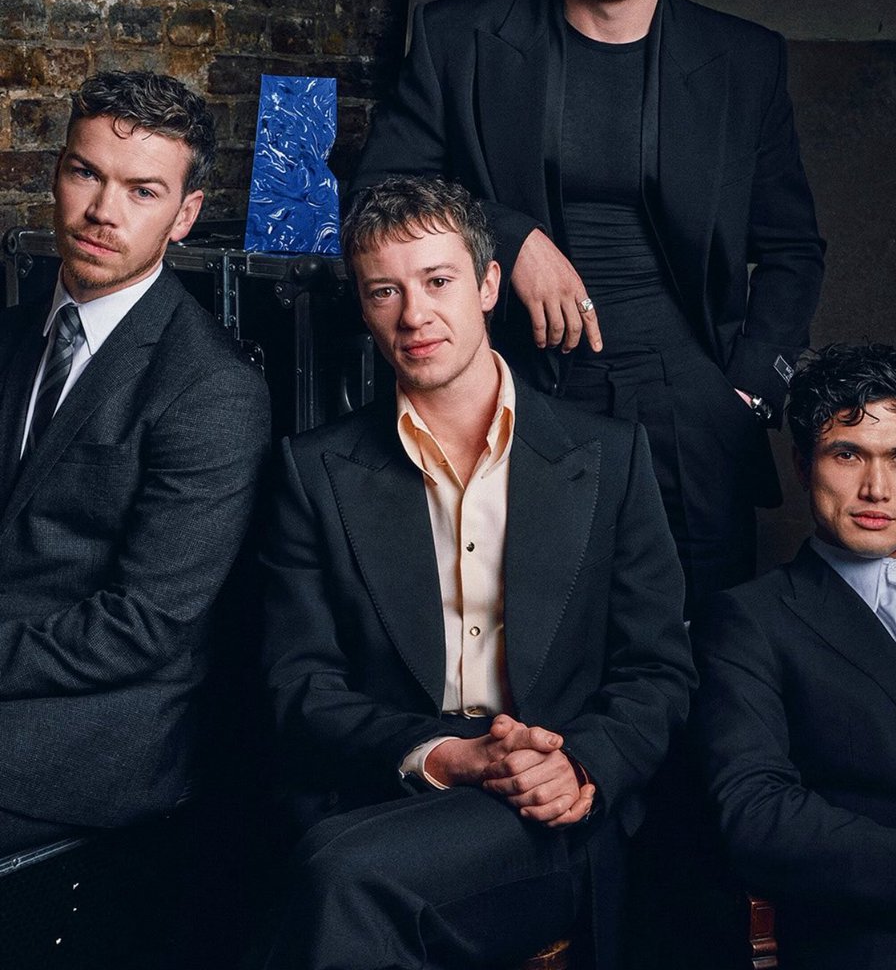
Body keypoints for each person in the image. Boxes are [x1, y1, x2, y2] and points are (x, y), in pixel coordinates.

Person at [351, 0, 825, 608]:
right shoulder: (459, 37)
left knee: (699, 643)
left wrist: (748, 393)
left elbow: (792, 249)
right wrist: (507, 236)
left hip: (689, 405)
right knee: (524, 635)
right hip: (515, 383)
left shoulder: (743, 61)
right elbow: (377, 193)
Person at [258, 176, 693, 968]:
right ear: (361, 306)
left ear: (490, 284)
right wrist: (441, 755)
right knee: (326, 871)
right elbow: (300, 686)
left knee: (337, 880)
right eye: (384, 290)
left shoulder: (608, 456)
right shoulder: (314, 470)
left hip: (545, 814)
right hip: (390, 794)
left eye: (437, 280)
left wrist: (582, 766)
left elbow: (657, 669)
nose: (414, 314)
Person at [0, 71, 271, 858]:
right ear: (56, 172)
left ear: (184, 215)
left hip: (98, 723)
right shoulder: (14, 334)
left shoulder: (211, 388)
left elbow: (141, 625)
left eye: (142, 191)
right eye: (86, 172)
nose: (102, 213)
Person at [691, 343, 896, 969]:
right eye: (848, 454)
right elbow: (757, 816)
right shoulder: (747, 621)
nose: (876, 487)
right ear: (803, 463)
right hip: (888, 934)